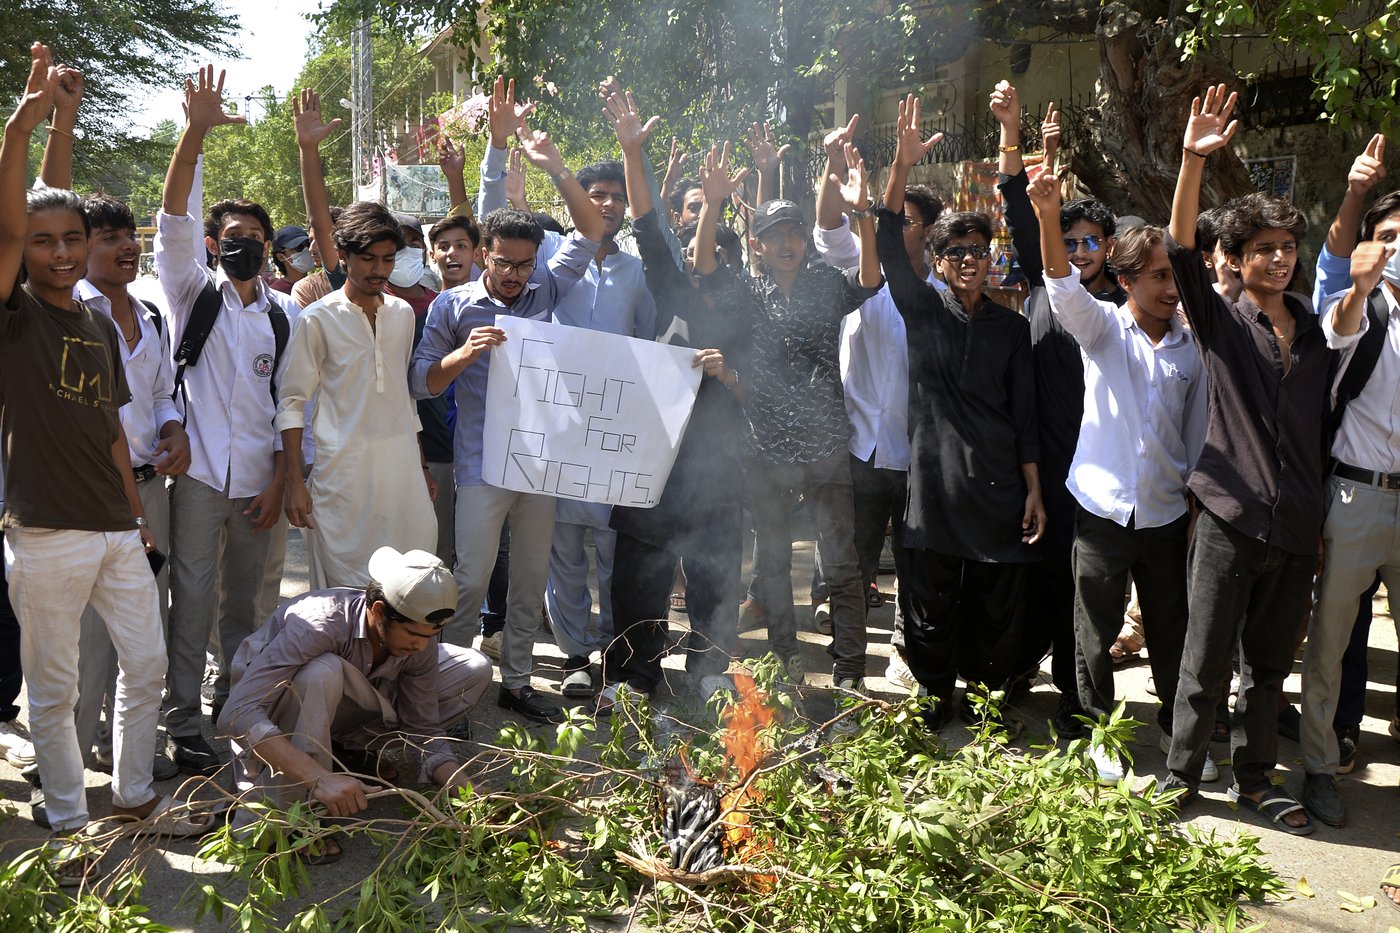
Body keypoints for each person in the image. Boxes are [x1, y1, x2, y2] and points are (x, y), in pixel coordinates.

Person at [0, 45, 214, 879]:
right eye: (42, 243)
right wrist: (29, 122)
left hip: (116, 527)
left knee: (148, 663)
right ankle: (65, 815)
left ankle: (130, 796)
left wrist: (134, 517)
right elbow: (19, 221)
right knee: (51, 689)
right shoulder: (15, 316)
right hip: (45, 533)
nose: (57, 252)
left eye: (71, 241)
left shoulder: (94, 321)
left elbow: (111, 433)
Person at [1159, 85, 1334, 836]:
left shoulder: (1321, 334)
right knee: (1202, 662)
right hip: (1230, 521)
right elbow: (1174, 250)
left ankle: (1256, 781)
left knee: (1267, 669)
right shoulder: (1224, 325)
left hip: (1295, 526)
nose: (1278, 258)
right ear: (1234, 258)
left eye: (1287, 248)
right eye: (1262, 248)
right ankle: (1181, 775)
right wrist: (1193, 163)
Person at [411, 87, 606, 724]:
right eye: (505, 264)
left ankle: (517, 681)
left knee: (528, 583)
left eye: (525, 265)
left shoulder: (548, 284)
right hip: (479, 465)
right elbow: (423, 384)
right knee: (468, 580)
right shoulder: (451, 306)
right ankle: (454, 683)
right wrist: (464, 355)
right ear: (482, 254)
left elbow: (592, 227)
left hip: (540, 465)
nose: (517, 276)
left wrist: (554, 166)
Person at [1026, 173, 1212, 785]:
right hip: (1102, 512)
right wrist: (1049, 216)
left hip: (1163, 516)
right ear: (1126, 281)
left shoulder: (1191, 350)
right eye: (1158, 276)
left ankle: (1177, 730)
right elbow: (1059, 287)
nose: (1170, 287)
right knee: (1093, 629)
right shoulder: (1104, 330)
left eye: (1175, 276)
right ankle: (1099, 731)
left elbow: (1193, 437)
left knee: (1171, 629)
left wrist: (1188, 507)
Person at [876, 94, 1045, 730]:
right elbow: (889, 235)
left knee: (998, 602)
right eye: (956, 252)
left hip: (1000, 485)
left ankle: (985, 700)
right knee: (930, 602)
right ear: (940, 264)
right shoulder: (921, 310)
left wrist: (1033, 489)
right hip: (935, 487)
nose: (970, 259)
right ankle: (931, 698)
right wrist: (899, 162)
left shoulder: (1011, 327)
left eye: (980, 249)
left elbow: (1025, 415)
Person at [156, 65, 301, 776]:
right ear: (215, 244)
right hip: (202, 479)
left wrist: (280, 481)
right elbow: (175, 214)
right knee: (192, 605)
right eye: (231, 235)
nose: (243, 244)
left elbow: (288, 409)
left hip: (259, 484)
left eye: (255, 235)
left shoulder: (283, 313)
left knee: (247, 608)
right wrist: (195, 133)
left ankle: (235, 704)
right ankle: (182, 721)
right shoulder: (191, 292)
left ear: (269, 246)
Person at [694, 138, 881, 690]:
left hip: (824, 445)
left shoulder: (826, 283)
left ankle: (850, 673)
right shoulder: (749, 293)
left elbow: (870, 280)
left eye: (795, 233)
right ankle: (784, 663)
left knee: (843, 566)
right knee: (772, 565)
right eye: (774, 236)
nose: (787, 243)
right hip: (766, 448)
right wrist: (709, 204)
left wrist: (864, 213)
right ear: (756, 244)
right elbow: (703, 268)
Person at [596, 91, 748, 709]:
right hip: (651, 461)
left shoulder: (747, 312)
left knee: (715, 572)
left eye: (714, 261)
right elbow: (645, 222)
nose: (699, 264)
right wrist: (633, 151)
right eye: (693, 257)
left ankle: (709, 671)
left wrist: (731, 376)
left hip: (717, 471)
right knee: (639, 576)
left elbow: (764, 384)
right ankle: (634, 679)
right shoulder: (669, 285)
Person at [219, 546, 490, 861]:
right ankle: (287, 820)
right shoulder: (319, 623)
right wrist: (317, 777)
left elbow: (422, 727)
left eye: (432, 635)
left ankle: (346, 753)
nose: (421, 645)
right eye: (414, 634)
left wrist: (465, 792)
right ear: (377, 611)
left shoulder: (420, 642)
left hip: (341, 712)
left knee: (474, 668)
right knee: (322, 673)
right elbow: (238, 712)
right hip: (277, 709)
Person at [992, 82, 1118, 734]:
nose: (1077, 253)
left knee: (1081, 593)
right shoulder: (1047, 286)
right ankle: (1017, 670)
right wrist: (1014, 133)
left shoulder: (1122, 312)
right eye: (1067, 242)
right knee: (1033, 581)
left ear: (1109, 249)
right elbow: (1018, 205)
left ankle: (1079, 697)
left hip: (1093, 473)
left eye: (1091, 242)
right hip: (1036, 461)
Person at [810, 116, 938, 683]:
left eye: (905, 221)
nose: (891, 226)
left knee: (916, 564)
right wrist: (834, 163)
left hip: (916, 457)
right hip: (858, 449)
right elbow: (828, 225)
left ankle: (907, 657)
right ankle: (849, 664)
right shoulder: (855, 275)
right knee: (850, 565)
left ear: (927, 233)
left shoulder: (943, 296)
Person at [1298, 174, 1400, 828]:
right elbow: (1337, 329)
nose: (1397, 248)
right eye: (1387, 237)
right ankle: (1318, 767)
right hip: (1356, 494)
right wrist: (1359, 287)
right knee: (1331, 641)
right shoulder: (1362, 306)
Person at [275, 197, 438, 587]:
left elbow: (403, 397)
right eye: (368, 259)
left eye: (388, 258)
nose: (380, 270)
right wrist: (295, 483)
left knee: (409, 587)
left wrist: (421, 465)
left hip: (402, 478)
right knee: (345, 597)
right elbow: (291, 403)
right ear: (344, 256)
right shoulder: (318, 318)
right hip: (342, 480)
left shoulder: (401, 315)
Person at [269, 225, 313, 295]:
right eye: (299, 247)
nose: (306, 250)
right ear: (281, 257)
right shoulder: (274, 295)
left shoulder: (320, 285)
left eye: (308, 244)